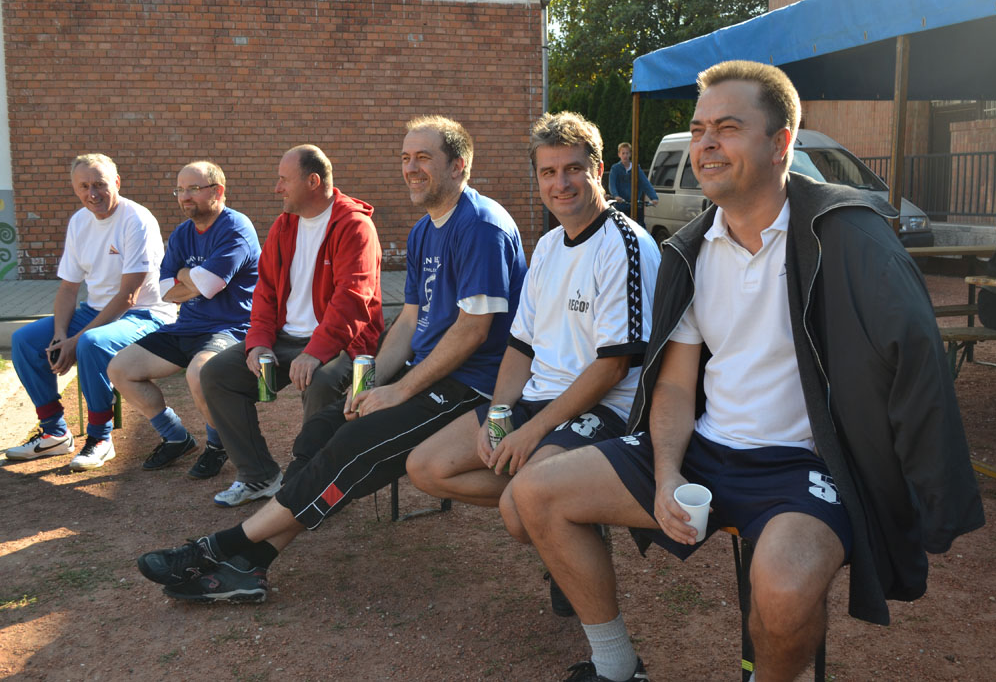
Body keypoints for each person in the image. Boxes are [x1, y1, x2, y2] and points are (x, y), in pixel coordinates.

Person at [510, 60, 985, 682]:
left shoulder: (846, 236)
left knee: (783, 593)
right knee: (534, 494)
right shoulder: (691, 250)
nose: (706, 144)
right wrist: (667, 472)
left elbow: (918, 364)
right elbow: (675, 382)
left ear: (780, 141)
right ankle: (616, 666)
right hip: (705, 454)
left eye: (727, 128)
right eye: (699, 129)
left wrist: (934, 497)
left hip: (802, 467)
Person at [135, 115, 528, 604]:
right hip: (428, 372)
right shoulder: (425, 229)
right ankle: (252, 563)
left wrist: (399, 390)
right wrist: (374, 383)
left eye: (424, 158)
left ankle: (219, 547)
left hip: (473, 384)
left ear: (459, 165)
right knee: (322, 430)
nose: (411, 168)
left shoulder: (481, 225)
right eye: (405, 158)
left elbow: (473, 330)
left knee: (353, 444)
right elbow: (409, 321)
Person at [406, 112, 660, 627]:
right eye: (548, 172)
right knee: (426, 467)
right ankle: (570, 512)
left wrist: (532, 432)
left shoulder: (625, 244)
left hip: (605, 408)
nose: (560, 183)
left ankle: (564, 516)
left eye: (572, 169)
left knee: (520, 509)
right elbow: (520, 347)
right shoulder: (546, 246)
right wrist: (501, 414)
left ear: (598, 170)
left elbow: (613, 369)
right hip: (537, 400)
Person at [198, 145, 384, 507]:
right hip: (285, 339)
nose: (277, 188)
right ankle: (258, 476)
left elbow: (352, 300)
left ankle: (317, 487)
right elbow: (265, 291)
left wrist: (316, 352)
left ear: (313, 182)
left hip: (345, 343)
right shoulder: (284, 225)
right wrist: (259, 342)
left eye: (284, 180)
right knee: (217, 375)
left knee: (321, 383)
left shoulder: (355, 226)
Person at [6, 154, 175, 471]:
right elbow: (68, 289)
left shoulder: (137, 219)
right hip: (96, 311)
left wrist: (75, 340)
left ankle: (100, 438)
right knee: (25, 340)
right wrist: (60, 334)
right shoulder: (79, 221)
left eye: (99, 184)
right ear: (75, 188)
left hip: (145, 314)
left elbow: (129, 295)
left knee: (91, 343)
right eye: (84, 186)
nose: (92, 193)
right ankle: (55, 433)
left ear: (117, 182)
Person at [108, 161, 261, 479]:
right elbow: (167, 291)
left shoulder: (236, 228)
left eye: (193, 188)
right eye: (179, 189)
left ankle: (217, 445)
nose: (184, 196)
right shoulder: (182, 233)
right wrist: (195, 280)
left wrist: (186, 277)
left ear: (218, 191)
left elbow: (209, 285)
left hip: (231, 328)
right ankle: (176, 437)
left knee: (200, 373)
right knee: (120, 369)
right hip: (186, 327)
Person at [608, 143, 657, 227]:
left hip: (635, 205)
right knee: (620, 227)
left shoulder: (636, 168)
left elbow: (645, 183)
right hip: (621, 205)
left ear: (630, 154)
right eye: (623, 153)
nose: (625, 156)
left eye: (627, 153)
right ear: (619, 154)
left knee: (640, 226)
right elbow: (612, 184)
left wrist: (654, 197)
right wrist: (616, 196)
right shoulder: (615, 168)